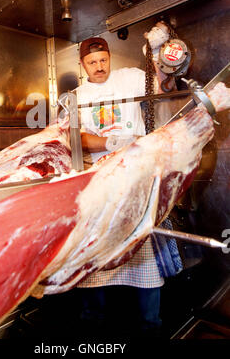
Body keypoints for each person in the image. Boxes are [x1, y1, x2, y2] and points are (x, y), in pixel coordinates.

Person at [75, 33, 182, 337]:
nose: (99, 67)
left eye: (103, 60)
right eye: (92, 62)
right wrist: (111, 140)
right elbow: (78, 139)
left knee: (142, 247)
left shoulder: (131, 78)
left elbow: (162, 85)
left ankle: (151, 324)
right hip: (100, 179)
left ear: (110, 58)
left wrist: (160, 51)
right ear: (83, 65)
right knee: (95, 250)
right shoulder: (78, 96)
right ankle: (92, 321)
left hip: (136, 175)